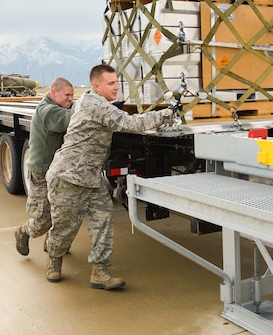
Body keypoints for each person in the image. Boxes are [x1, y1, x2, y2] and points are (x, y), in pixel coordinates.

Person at [44, 64, 176, 290]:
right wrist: (167, 113)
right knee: (65, 227)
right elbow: (132, 124)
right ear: (96, 86)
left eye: (117, 82)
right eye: (111, 83)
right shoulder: (97, 106)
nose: (117, 87)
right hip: (69, 176)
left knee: (103, 219)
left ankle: (99, 271)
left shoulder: (91, 100)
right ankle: (54, 261)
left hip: (91, 178)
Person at [14, 77, 75, 257]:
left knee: (63, 213)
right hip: (42, 172)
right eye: (67, 95)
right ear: (53, 93)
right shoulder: (47, 110)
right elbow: (66, 120)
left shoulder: (61, 106)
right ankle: (23, 232)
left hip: (58, 172)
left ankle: (53, 244)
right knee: (42, 220)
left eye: (72, 95)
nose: (70, 99)